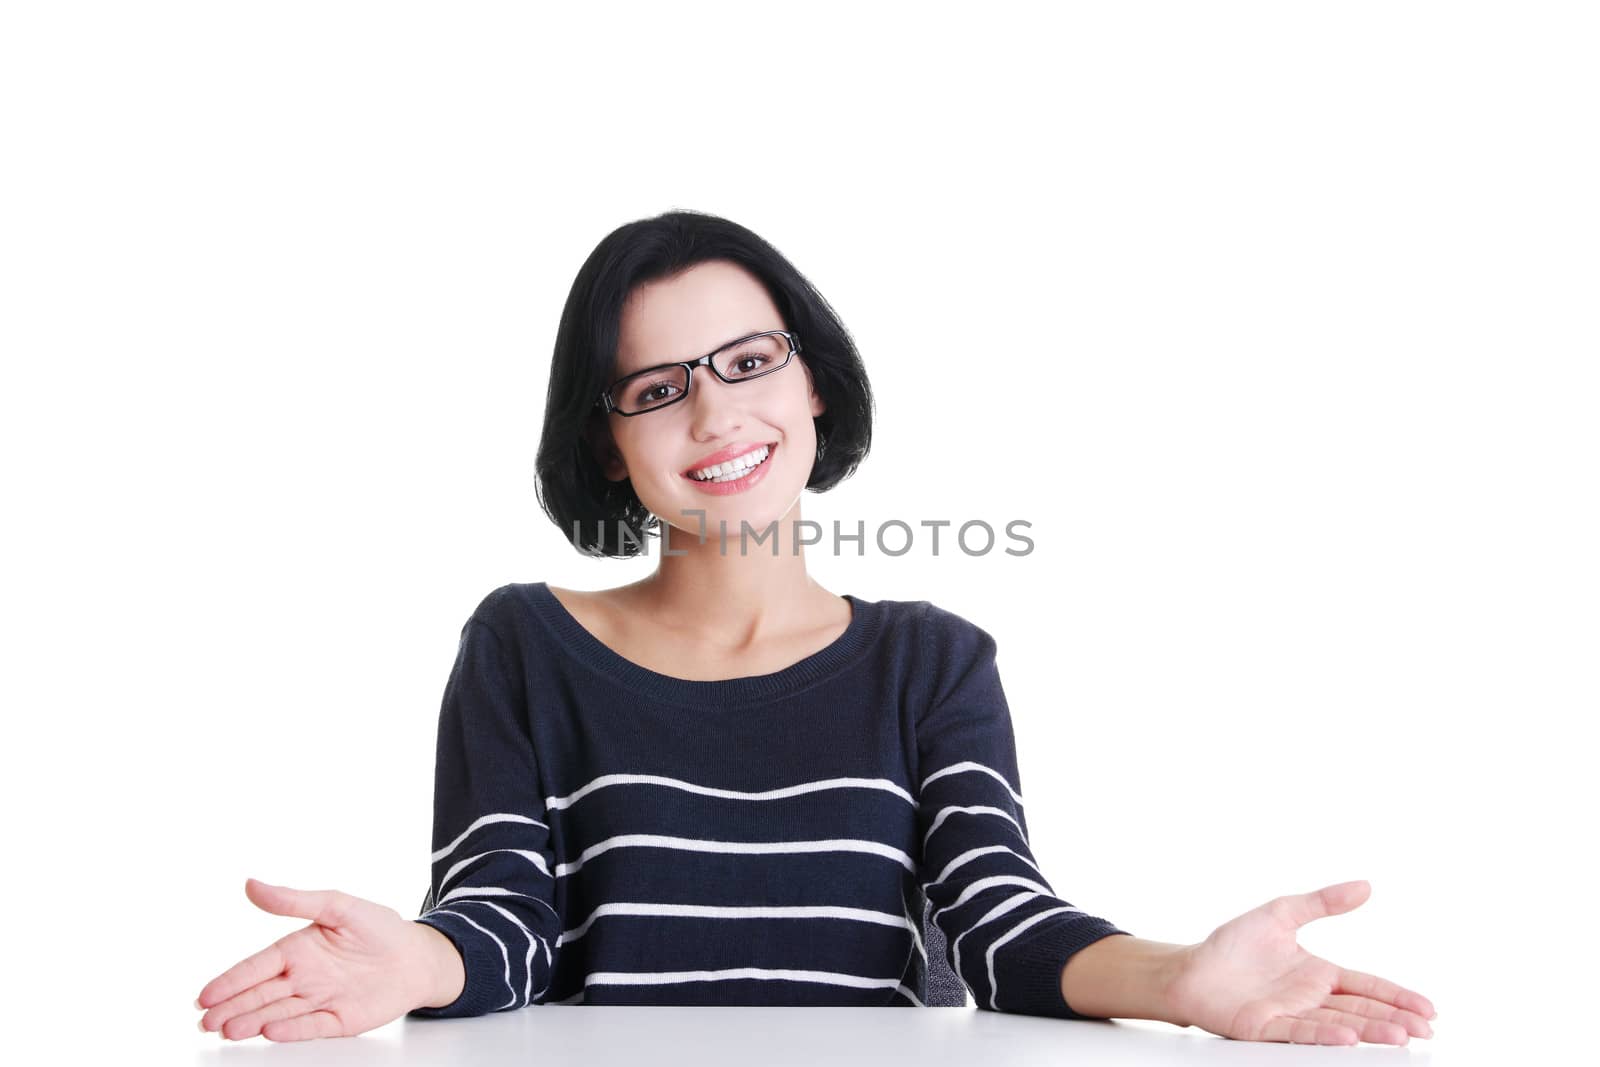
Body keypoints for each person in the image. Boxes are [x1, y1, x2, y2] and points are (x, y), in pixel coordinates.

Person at [194, 210, 1437, 1045]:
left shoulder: (931, 659)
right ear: (611, 448)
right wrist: (413, 964)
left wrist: (1181, 982)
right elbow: (500, 919)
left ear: (813, 382)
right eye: (657, 389)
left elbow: (996, 922)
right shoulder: (523, 643)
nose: (716, 415)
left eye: (747, 362)